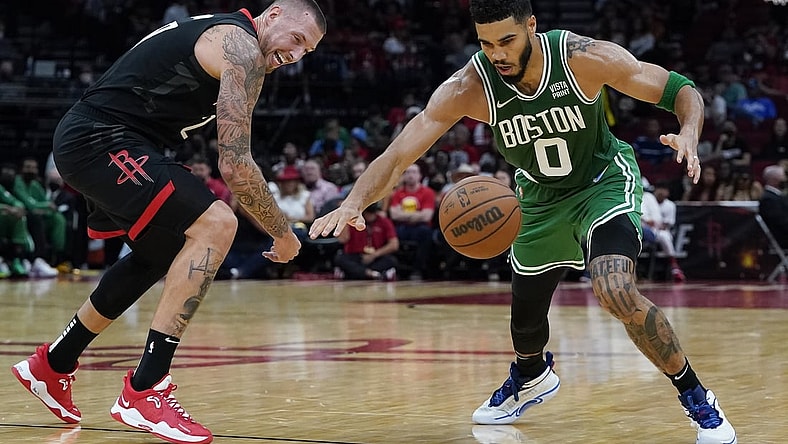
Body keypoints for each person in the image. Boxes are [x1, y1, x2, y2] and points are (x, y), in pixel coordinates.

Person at [309, 1, 735, 442]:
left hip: (601, 183)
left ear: (531, 26)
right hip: (535, 200)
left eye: (507, 40)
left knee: (615, 289)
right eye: (486, 43)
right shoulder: (470, 85)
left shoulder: (580, 57)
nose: (497, 53)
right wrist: (353, 201)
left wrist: (689, 132)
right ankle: (531, 375)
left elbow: (680, 89)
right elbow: (399, 154)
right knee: (525, 325)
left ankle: (697, 396)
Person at [11, 2, 324, 443]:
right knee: (217, 223)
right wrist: (282, 232)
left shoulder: (225, 37)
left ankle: (53, 363)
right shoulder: (240, 45)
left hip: (106, 137)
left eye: (307, 51)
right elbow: (235, 165)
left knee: (162, 250)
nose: (297, 55)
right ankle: (144, 390)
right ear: (273, 15)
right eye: (297, 39)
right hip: (101, 138)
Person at [759, 165, 788, 247]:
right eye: (783, 176)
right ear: (774, 179)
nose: (785, 179)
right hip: (781, 239)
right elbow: (780, 222)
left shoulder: (777, 196)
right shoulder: (768, 199)